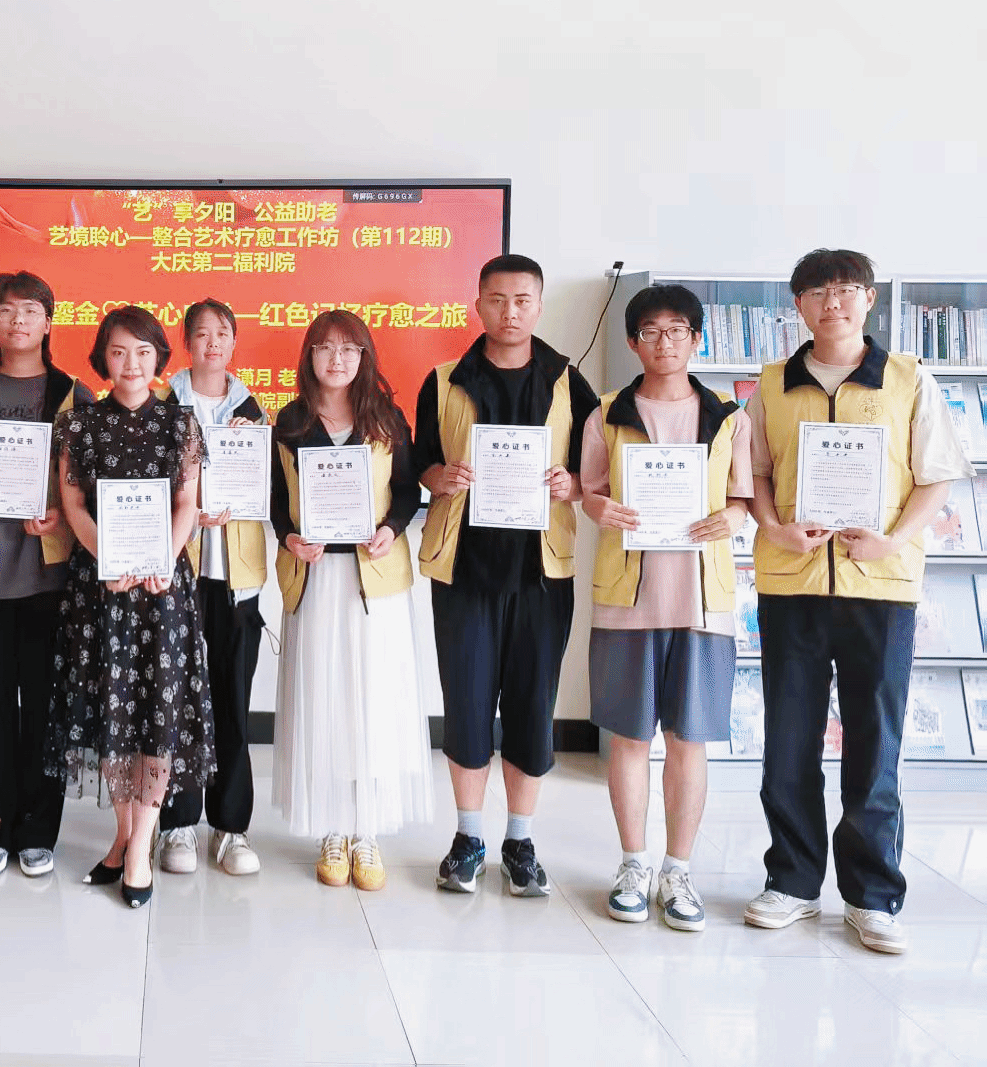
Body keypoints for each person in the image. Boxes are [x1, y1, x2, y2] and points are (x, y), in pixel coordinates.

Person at [742, 249, 971, 954]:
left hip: (880, 584)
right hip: (793, 581)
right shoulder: (772, 384)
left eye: (845, 290)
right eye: (817, 292)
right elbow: (754, 475)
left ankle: (871, 897)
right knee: (789, 738)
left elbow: (936, 476)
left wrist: (893, 540)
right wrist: (774, 527)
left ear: (869, 299)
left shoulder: (909, 378)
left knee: (875, 740)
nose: (832, 302)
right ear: (798, 306)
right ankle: (792, 882)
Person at [415, 253, 598, 897]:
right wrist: (440, 477)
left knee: (531, 705)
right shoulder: (444, 380)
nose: (510, 312)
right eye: (497, 299)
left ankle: (521, 840)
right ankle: (468, 837)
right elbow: (421, 463)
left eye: (522, 300)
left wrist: (572, 484)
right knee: (466, 703)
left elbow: (593, 472)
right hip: (463, 568)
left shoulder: (568, 382)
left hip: (540, 572)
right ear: (478, 305)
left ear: (539, 306)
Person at [580, 285, 752, 932]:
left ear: (696, 339)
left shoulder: (728, 417)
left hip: (702, 602)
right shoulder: (608, 413)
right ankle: (633, 864)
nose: (664, 342)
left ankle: (678, 871)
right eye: (650, 331)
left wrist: (730, 518)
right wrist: (601, 508)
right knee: (629, 737)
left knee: (689, 739)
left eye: (677, 330)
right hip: (628, 600)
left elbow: (743, 500)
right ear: (633, 342)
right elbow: (589, 492)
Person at [47, 305, 214, 909]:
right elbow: (73, 504)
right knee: (112, 712)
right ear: (103, 358)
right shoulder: (79, 424)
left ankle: (141, 845)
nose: (132, 363)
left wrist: (162, 560)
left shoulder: (180, 422)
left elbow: (187, 502)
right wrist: (110, 558)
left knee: (157, 713)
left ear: (160, 358)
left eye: (144, 351)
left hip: (162, 590)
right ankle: (122, 837)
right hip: (103, 588)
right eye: (119, 352)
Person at [270, 309, 432, 891]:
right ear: (309, 356)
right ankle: (332, 830)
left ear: (364, 357)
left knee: (372, 700)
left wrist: (391, 527)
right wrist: (289, 537)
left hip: (373, 583)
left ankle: (366, 832)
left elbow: (408, 490)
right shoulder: (290, 421)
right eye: (325, 347)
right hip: (317, 581)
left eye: (349, 348)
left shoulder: (385, 418)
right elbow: (276, 500)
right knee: (324, 699)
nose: (336, 359)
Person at [0, 271, 94, 879]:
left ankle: (37, 830)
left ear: (48, 322)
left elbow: (95, 481)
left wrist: (64, 517)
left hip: (48, 578)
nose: (18, 322)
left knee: (43, 706)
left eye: (30, 311)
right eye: (6, 311)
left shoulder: (74, 394)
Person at [155, 298, 269, 877]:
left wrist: (254, 446)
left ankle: (230, 826)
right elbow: (138, 486)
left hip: (237, 579)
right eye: (202, 333)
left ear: (234, 342)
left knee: (232, 703)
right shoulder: (160, 405)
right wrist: (184, 510)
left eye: (223, 332)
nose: (213, 342)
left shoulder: (255, 409)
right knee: (175, 701)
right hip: (178, 573)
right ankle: (177, 824)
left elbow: (273, 493)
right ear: (187, 342)